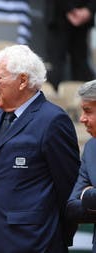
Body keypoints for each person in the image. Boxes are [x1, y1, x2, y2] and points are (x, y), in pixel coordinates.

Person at [0, 45, 80, 252]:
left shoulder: (53, 120)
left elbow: (69, 189)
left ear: (22, 81)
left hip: (33, 243)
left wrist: (57, 238)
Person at [67, 80, 96, 252]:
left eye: (88, 111)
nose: (82, 119)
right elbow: (72, 208)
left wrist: (87, 194)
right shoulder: (91, 148)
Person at [45, 0, 96, 91]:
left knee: (81, 65)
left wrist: (89, 9)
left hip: (83, 20)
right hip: (58, 16)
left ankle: (84, 100)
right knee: (55, 66)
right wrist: (71, 9)